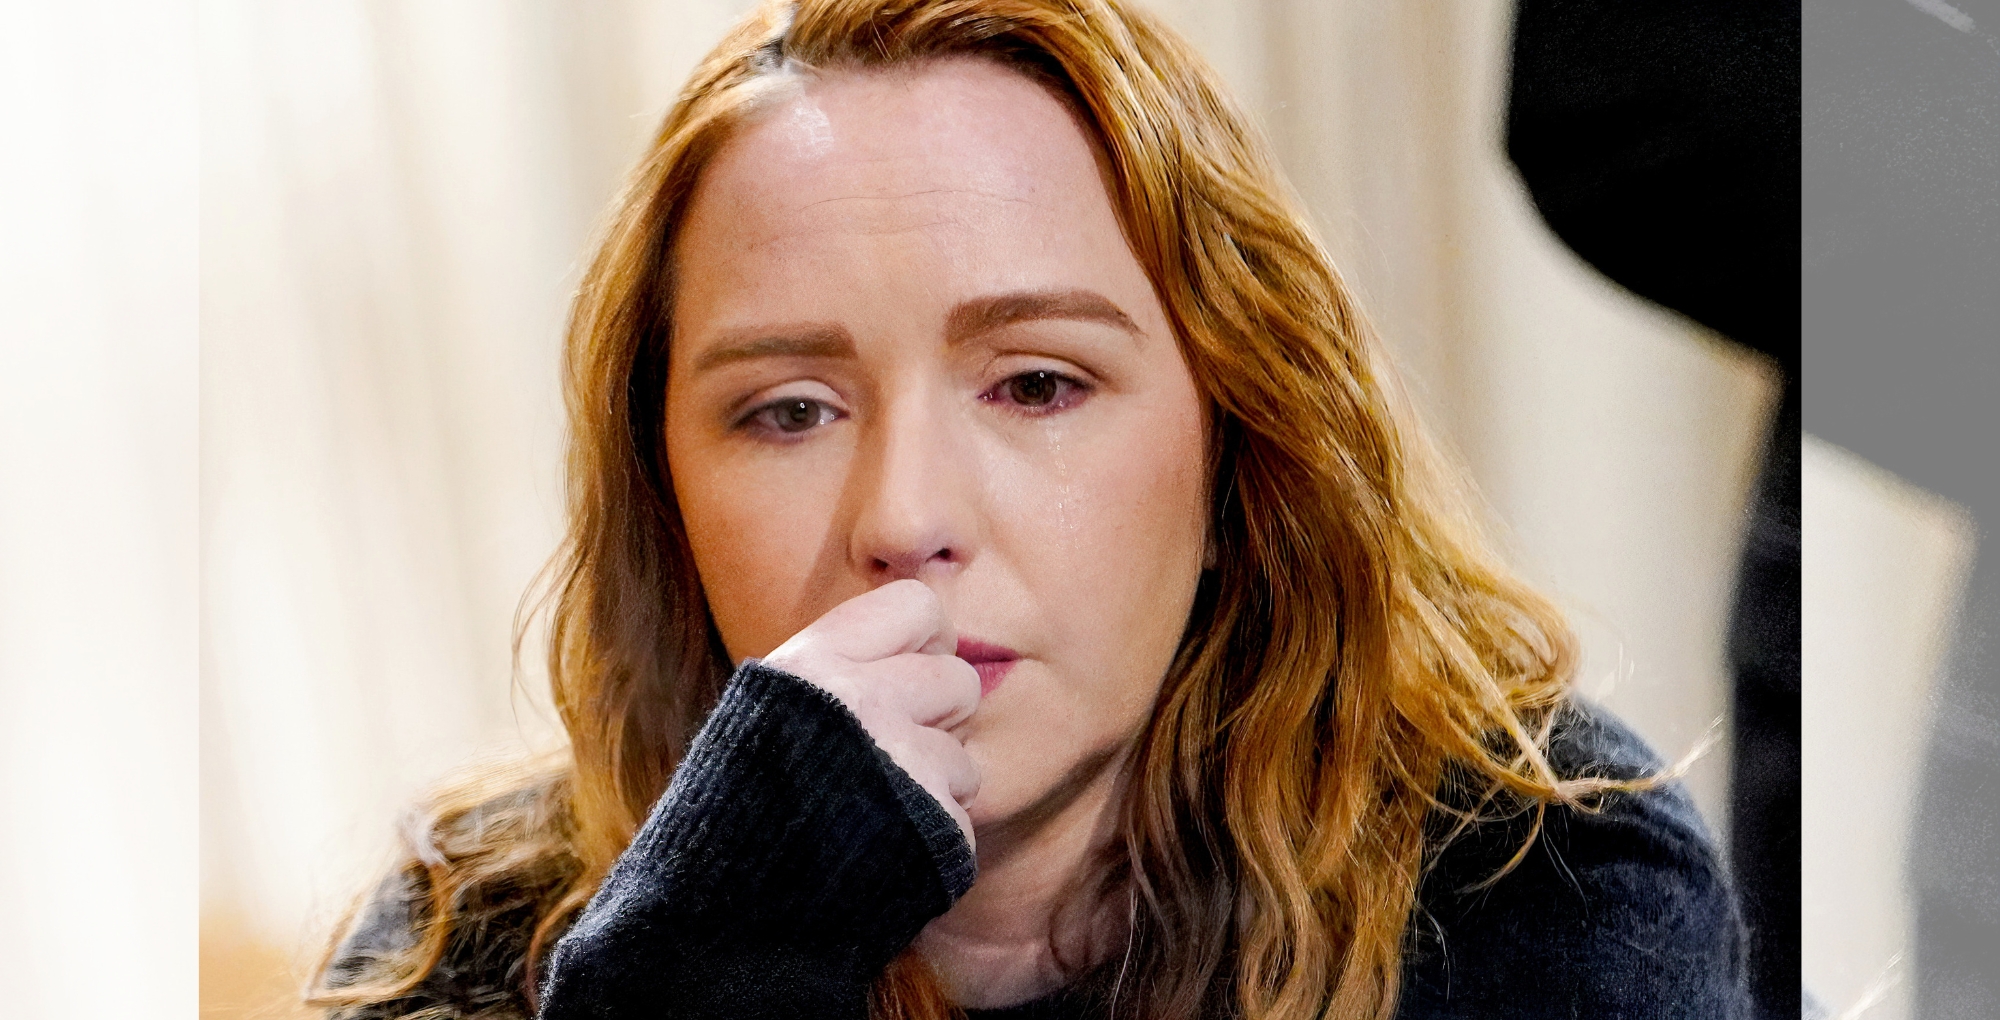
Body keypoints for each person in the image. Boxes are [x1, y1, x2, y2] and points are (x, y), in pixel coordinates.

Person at [307, 1, 1745, 1017]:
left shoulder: (1541, 875)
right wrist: (706, 968)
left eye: (1038, 385)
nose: (904, 519)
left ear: (1243, 443)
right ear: (661, 489)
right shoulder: (474, 929)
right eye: (791, 411)